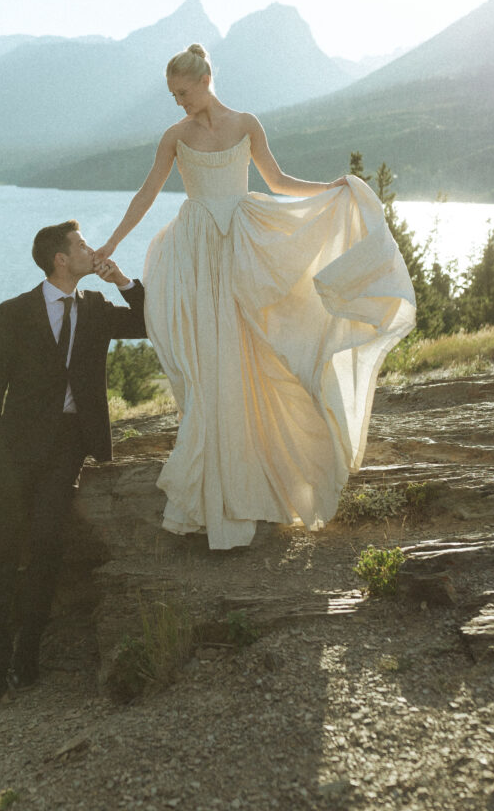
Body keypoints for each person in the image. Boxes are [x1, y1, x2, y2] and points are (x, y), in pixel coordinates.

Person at [94, 43, 416, 550]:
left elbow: (277, 181)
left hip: (243, 243)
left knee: (254, 356)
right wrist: (111, 243)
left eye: (182, 92)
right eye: (172, 94)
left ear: (204, 81)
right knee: (211, 363)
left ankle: (263, 484)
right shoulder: (174, 137)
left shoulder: (246, 124)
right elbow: (147, 192)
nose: (177, 101)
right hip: (197, 248)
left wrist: (331, 190)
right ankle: (217, 492)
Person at [0, 221, 146, 715]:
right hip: (12, 448)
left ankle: (27, 660)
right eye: (83, 245)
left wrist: (123, 281)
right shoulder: (15, 312)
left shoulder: (96, 309)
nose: (93, 249)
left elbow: (151, 322)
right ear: (60, 259)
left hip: (68, 445)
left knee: (45, 547)